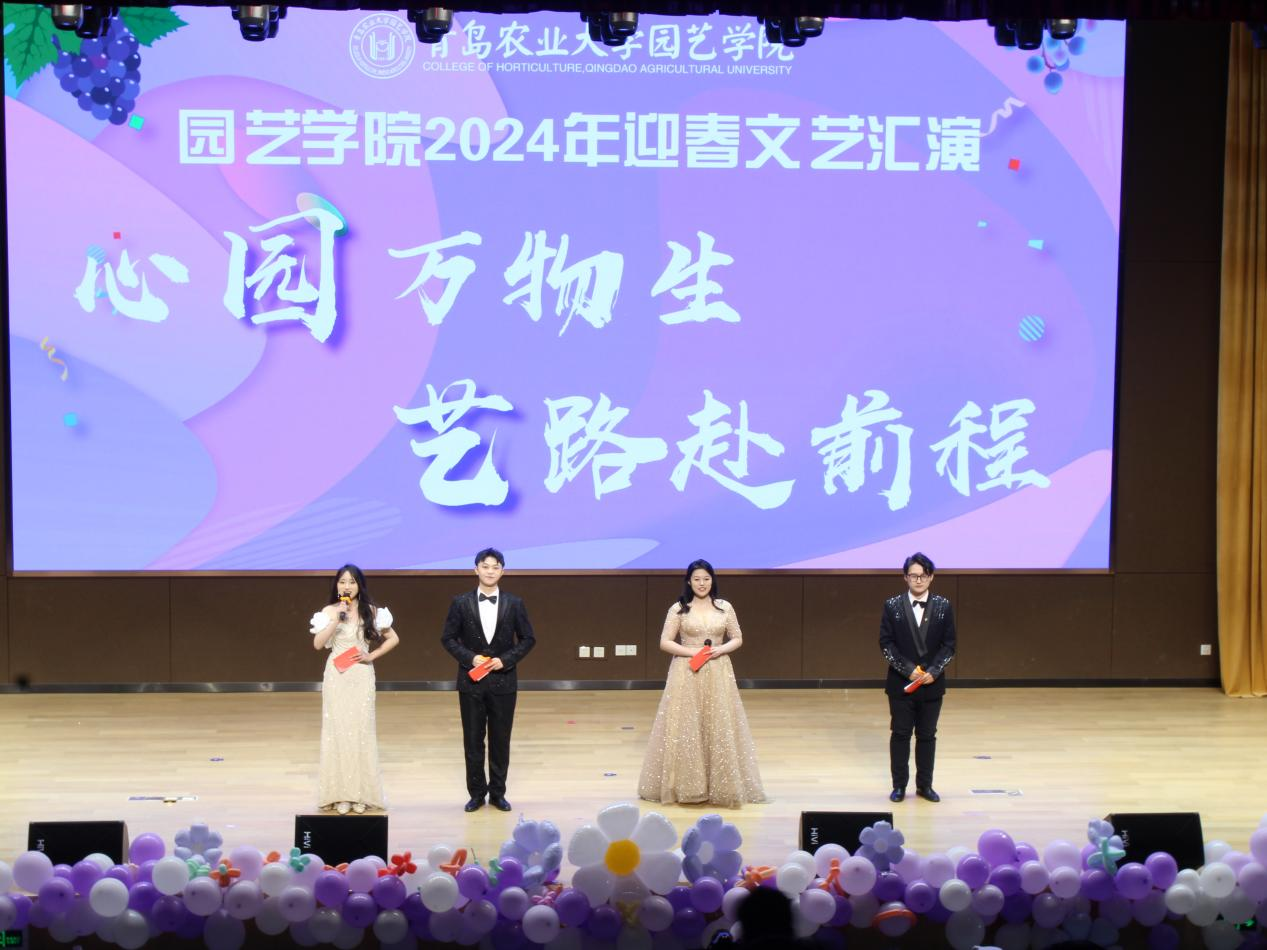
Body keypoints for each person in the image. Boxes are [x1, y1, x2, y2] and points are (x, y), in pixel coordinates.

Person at [638, 559, 767, 808]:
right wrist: (692, 652)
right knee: (687, 727)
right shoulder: (679, 608)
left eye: (706, 579)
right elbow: (665, 641)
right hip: (687, 670)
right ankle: (689, 786)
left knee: (718, 723)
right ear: (689, 581)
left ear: (712, 580)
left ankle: (721, 786)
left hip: (718, 670)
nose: (701, 583)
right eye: (696, 579)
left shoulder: (724, 607)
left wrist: (720, 650)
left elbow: (737, 638)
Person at [441, 547, 536, 812]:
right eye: (485, 566)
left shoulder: (515, 603)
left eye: (495, 567)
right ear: (476, 569)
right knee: (472, 740)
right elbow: (447, 638)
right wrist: (470, 658)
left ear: (502, 571)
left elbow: (528, 638)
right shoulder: (460, 602)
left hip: (504, 681)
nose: (490, 571)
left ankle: (497, 793)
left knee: (500, 741)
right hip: (471, 682)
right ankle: (476, 794)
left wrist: (506, 660)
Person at [310, 564, 398, 814]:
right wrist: (336, 619)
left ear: (360, 586)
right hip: (336, 677)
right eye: (342, 582)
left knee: (361, 732)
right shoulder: (329, 611)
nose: (347, 586)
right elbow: (318, 644)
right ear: (336, 585)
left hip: (361, 676)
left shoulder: (371, 611)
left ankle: (361, 794)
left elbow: (393, 638)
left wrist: (371, 656)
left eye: (352, 582)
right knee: (337, 733)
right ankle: (340, 795)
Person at [879, 552, 956, 804]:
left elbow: (949, 645)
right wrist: (908, 670)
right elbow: (886, 643)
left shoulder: (944, 606)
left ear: (931, 577)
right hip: (901, 684)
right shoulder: (892, 605)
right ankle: (899, 786)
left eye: (923, 575)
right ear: (905, 578)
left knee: (927, 735)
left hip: (932, 684)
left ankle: (925, 786)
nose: (918, 580)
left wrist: (934, 671)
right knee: (900, 734)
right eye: (913, 575)